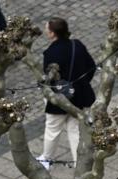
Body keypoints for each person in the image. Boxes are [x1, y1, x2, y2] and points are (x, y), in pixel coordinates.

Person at [37, 18, 96, 169]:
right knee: (75, 129)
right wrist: (81, 84)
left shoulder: (50, 53)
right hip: (81, 97)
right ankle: (80, 162)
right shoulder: (78, 45)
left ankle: (46, 158)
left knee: (52, 129)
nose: (45, 31)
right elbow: (91, 67)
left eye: (47, 29)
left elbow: (50, 80)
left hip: (60, 99)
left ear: (52, 34)